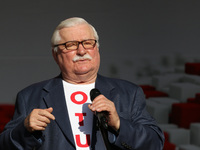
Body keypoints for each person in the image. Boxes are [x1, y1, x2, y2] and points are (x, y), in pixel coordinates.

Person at [0, 17, 164, 150]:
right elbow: (5, 145)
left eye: (87, 42)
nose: (81, 51)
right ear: (56, 54)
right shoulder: (30, 96)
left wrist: (119, 124)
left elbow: (155, 144)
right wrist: (25, 129)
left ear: (97, 49)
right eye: (70, 45)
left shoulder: (129, 93)